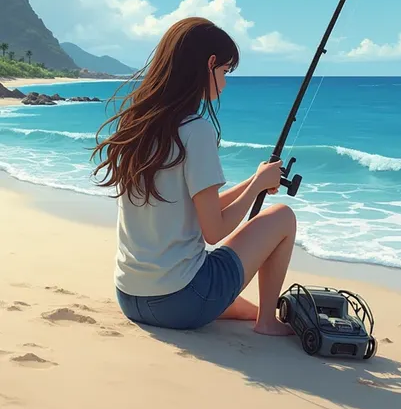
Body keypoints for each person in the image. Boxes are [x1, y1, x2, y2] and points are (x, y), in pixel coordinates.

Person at [91, 17, 296, 336]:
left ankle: (257, 313)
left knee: (236, 304)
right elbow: (214, 230)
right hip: (180, 301)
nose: (225, 82)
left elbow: (194, 207)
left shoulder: (136, 124)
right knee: (283, 216)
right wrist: (256, 184)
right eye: (225, 72)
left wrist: (254, 183)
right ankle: (267, 323)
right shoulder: (196, 130)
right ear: (210, 63)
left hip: (130, 297)